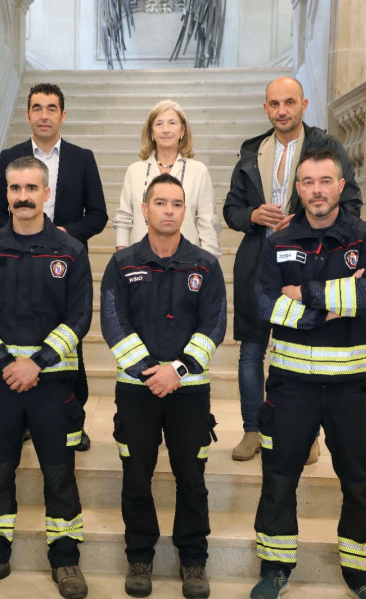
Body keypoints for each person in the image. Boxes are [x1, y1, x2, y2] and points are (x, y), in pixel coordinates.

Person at [249, 148, 366, 599]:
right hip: (290, 387)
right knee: (279, 478)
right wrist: (323, 312)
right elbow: (266, 303)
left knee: (359, 481)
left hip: (351, 387)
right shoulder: (278, 240)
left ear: (341, 186)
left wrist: (304, 292)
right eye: (307, 182)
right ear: (298, 189)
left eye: (324, 181)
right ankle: (274, 570)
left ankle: (362, 576)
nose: (316, 191)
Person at [0, 156, 92, 599]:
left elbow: (78, 318)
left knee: (59, 475)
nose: (22, 197)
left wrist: (36, 362)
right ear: (6, 194)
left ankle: (66, 561)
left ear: (46, 192)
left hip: (53, 385)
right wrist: (4, 362)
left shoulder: (71, 250)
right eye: (14, 189)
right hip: (0, 384)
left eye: (31, 188)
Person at [223, 76, 362, 463]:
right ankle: (253, 429)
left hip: (309, 267)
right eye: (274, 104)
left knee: (304, 351)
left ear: (303, 104)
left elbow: (350, 204)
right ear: (266, 109)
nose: (281, 110)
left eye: (289, 102)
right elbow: (230, 210)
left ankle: (307, 434)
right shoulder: (253, 151)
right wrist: (252, 214)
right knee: (251, 351)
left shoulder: (325, 147)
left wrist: (305, 225)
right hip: (257, 266)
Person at [101, 173, 226, 599]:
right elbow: (114, 324)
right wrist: (150, 371)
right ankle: (140, 556)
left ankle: (193, 561)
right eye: (160, 203)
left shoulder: (205, 265)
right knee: (136, 476)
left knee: (191, 476)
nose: (168, 210)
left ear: (186, 211)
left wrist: (179, 370)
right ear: (145, 209)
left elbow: (214, 324)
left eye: (176, 203)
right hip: (136, 392)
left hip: (189, 392)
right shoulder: (121, 264)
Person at [0, 83, 107, 451]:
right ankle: (21, 418)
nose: (43, 115)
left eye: (51, 108)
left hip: (64, 267)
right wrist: (21, 235)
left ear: (62, 115)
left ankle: (75, 418)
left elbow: (98, 215)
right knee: (18, 335)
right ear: (27, 115)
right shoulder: (11, 156)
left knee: (71, 346)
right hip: (16, 267)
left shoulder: (82, 158)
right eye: (37, 108)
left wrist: (60, 237)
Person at [112, 99, 221, 258]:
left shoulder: (199, 171)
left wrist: (207, 264)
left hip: (187, 262)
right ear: (151, 133)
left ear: (182, 130)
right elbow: (124, 218)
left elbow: (207, 222)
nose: (165, 130)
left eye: (172, 123)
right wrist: (122, 259)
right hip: (141, 261)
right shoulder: (134, 171)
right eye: (159, 124)